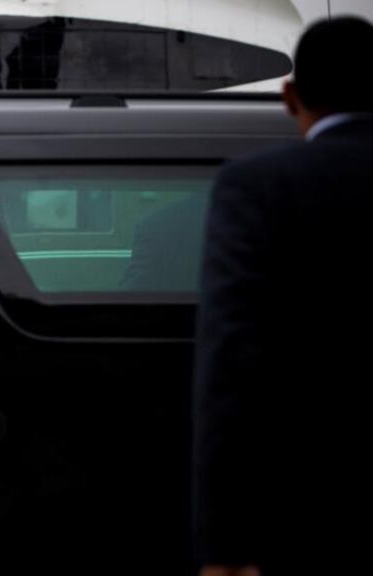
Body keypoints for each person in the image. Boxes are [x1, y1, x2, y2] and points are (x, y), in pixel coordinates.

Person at [192, 17, 373, 576]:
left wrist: (224, 544)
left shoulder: (258, 185)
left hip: (311, 503)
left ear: (290, 95)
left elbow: (234, 362)